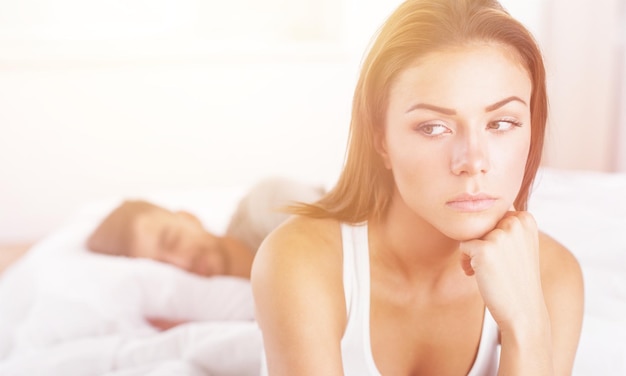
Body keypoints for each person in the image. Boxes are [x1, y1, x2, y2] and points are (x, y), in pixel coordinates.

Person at [251, 1, 584, 375]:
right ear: (381, 139)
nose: (473, 160)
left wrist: (526, 325)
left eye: (502, 123)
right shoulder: (300, 261)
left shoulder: (554, 278)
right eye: (434, 127)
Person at [86, 177, 325, 279]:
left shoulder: (266, 203)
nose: (181, 264)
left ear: (188, 217)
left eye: (173, 241)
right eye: (162, 267)